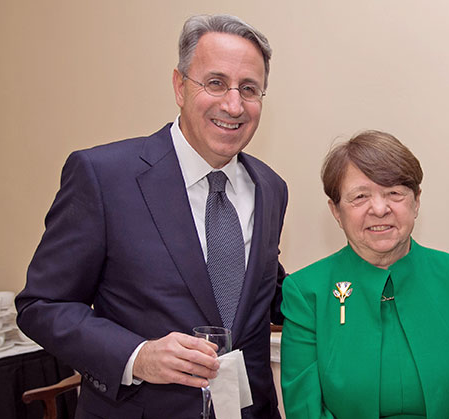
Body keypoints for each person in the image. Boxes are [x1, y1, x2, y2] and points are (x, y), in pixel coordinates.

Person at [15, 14, 287, 418]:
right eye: (215, 83)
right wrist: (137, 355)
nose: (233, 104)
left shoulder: (270, 187)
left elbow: (264, 291)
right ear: (179, 86)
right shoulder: (104, 176)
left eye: (249, 89)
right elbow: (42, 304)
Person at [280, 130, 449, 418]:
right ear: (336, 211)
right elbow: (305, 409)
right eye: (360, 197)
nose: (380, 209)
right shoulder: (306, 292)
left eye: (394, 193)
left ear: (416, 201)